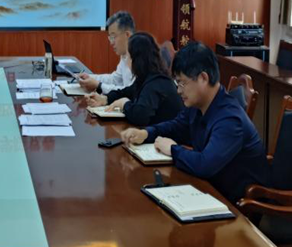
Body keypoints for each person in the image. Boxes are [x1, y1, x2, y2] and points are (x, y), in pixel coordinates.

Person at [120, 42, 269, 202]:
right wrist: (145, 133)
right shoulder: (198, 105)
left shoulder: (230, 119)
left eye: (182, 83)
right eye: (177, 83)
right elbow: (175, 127)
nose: (178, 90)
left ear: (203, 78)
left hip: (236, 204)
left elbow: (205, 165)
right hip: (208, 189)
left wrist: (173, 150)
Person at [86, 32, 182, 126]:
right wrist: (105, 99)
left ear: (136, 59)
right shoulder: (146, 77)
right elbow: (126, 92)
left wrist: (124, 104)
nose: (126, 61)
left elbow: (140, 116)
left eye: (128, 56)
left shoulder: (156, 82)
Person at [77, 11, 135, 94]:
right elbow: (115, 79)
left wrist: (99, 86)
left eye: (113, 36)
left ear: (127, 35)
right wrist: (90, 77)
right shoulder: (125, 54)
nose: (111, 42)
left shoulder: (141, 56)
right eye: (110, 37)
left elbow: (130, 92)